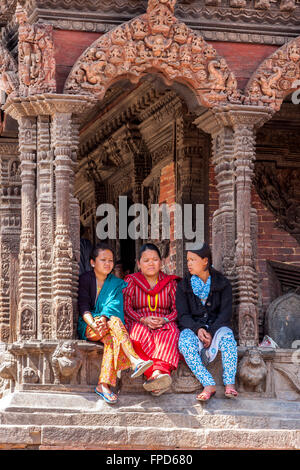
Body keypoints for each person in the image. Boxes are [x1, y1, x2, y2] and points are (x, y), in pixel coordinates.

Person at [77, 243, 153, 404]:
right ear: (92, 262)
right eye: (103, 260)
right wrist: (94, 323)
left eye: (110, 260)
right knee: (115, 322)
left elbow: (114, 306)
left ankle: (103, 385)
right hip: (89, 325)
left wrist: (104, 318)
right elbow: (83, 307)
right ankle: (134, 360)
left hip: (108, 324)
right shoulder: (85, 279)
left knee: (111, 338)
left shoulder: (116, 283)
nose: (107, 264)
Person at [176, 242, 238, 402]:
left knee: (228, 338)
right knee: (184, 342)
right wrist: (198, 329)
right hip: (195, 329)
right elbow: (183, 315)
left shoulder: (222, 283)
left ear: (205, 261)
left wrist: (211, 332)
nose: (189, 263)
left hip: (217, 328)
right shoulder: (183, 286)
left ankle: (230, 383)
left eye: (193, 260)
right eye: (188, 260)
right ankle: (208, 384)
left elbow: (225, 314)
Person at [123, 243, 181, 396]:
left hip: (164, 322)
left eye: (154, 259)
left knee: (171, 333)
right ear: (139, 263)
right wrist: (143, 319)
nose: (151, 263)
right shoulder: (131, 281)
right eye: (146, 260)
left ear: (161, 262)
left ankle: (157, 374)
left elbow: (177, 310)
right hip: (139, 321)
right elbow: (126, 308)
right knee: (137, 334)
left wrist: (164, 320)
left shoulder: (170, 283)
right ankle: (155, 377)